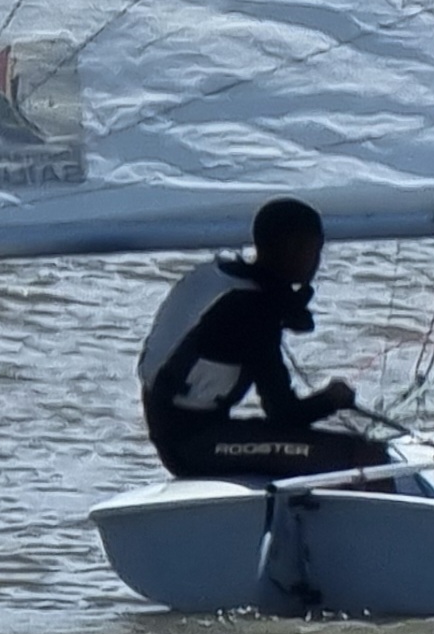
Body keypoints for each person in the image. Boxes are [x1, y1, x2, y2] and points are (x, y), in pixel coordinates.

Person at [137, 196, 391, 482]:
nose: (317, 261)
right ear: (293, 248)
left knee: (328, 447)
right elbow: (284, 414)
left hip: (181, 429)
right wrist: (332, 398)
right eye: (315, 249)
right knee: (367, 455)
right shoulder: (253, 312)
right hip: (192, 446)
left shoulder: (218, 276)